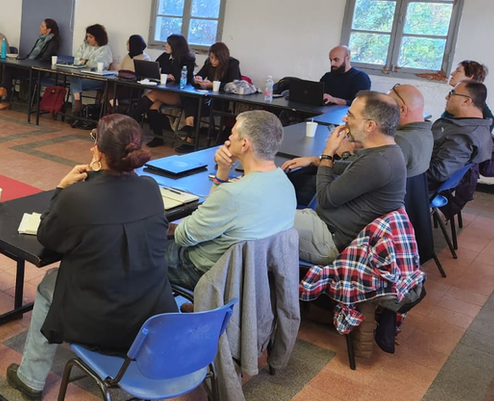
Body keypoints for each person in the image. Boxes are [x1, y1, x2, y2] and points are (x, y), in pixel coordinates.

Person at [5, 114, 176, 401]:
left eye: (94, 140)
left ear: (99, 152)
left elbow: (48, 235)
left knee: (50, 283)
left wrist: (62, 188)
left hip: (101, 322)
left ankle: (30, 379)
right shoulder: (150, 188)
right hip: (150, 315)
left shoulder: (78, 197)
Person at [166, 111, 296, 288]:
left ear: (244, 144)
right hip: (249, 275)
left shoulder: (233, 194)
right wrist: (222, 172)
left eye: (233, 133)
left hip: (204, 270)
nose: (228, 138)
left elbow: (184, 237)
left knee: (139, 249)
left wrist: (176, 227)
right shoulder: (285, 184)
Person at [282, 92, 405, 264]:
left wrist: (328, 153)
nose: (345, 120)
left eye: (350, 115)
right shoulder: (387, 152)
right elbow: (353, 169)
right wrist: (315, 161)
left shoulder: (378, 162)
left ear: (370, 125)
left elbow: (324, 198)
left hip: (329, 240)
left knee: (255, 222)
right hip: (323, 226)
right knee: (266, 214)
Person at [427, 81, 493, 192]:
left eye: (452, 93)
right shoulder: (474, 125)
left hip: (420, 186)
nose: (447, 97)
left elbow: (438, 173)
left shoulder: (464, 136)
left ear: (467, 101)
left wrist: (404, 166)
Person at [134, 34, 195, 148]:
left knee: (153, 94)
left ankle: (129, 118)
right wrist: (165, 75)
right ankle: (158, 137)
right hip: (165, 92)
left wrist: (171, 71)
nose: (165, 46)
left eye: (168, 44)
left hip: (180, 95)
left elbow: (180, 77)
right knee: (153, 107)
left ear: (175, 46)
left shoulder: (187, 60)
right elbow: (154, 69)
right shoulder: (165, 56)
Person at [0, 19, 61, 111]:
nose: (40, 27)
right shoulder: (40, 39)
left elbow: (45, 58)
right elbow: (31, 54)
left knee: (9, 70)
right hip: (29, 66)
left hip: (38, 70)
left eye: (42, 26)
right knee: (8, 68)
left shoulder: (52, 42)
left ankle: (4, 98)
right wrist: (22, 60)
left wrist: (28, 62)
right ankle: (4, 94)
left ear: (48, 30)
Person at [181, 41, 242, 148]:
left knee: (196, 107)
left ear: (222, 58)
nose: (213, 61)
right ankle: (190, 131)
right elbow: (198, 76)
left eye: (216, 58)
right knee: (187, 97)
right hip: (207, 98)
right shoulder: (208, 63)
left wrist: (213, 85)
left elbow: (235, 85)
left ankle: (190, 137)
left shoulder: (233, 64)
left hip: (221, 101)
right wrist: (197, 79)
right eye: (211, 57)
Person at [67, 24, 114, 115]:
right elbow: (76, 60)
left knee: (74, 84)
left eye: (90, 37)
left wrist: (85, 61)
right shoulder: (84, 46)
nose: (88, 39)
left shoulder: (105, 49)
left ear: (98, 38)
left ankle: (76, 110)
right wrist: (87, 62)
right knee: (73, 78)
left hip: (96, 79)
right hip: (81, 77)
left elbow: (99, 64)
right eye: (87, 36)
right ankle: (77, 108)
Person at [389, 83, 433, 178]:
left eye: (387, 107)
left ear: (402, 110)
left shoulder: (399, 140)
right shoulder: (426, 132)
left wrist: (348, 151)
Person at [445, 60, 494, 130]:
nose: (452, 73)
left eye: (458, 71)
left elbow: (491, 122)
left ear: (470, 76)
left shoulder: (476, 104)